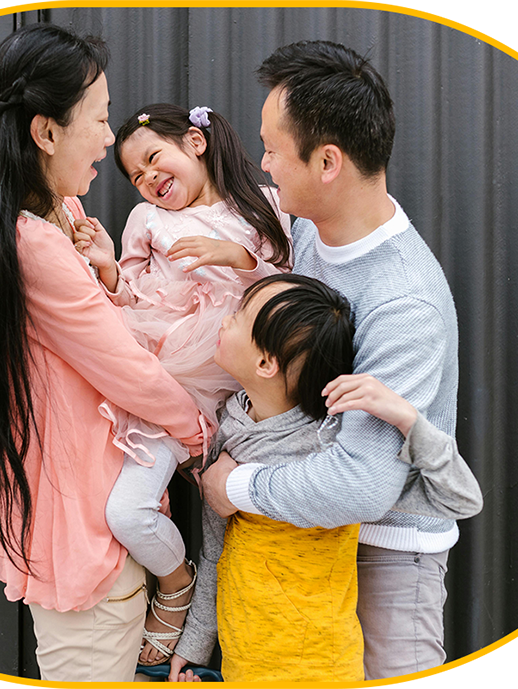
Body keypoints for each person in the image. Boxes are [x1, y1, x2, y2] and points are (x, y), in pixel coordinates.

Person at [0, 25, 206, 682]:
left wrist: (108, 272)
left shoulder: (53, 212)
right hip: (88, 538)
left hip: (85, 520)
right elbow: (127, 367)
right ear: (45, 132)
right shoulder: (32, 242)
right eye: (100, 117)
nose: (109, 139)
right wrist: (204, 435)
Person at [200, 40, 474, 679]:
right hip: (306, 544)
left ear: (328, 161)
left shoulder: (404, 303)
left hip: (384, 551)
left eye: (272, 149)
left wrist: (231, 486)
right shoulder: (309, 232)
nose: (262, 165)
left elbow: (362, 483)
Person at [167, 274, 482, 682]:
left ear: (266, 363)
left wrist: (406, 417)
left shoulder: (333, 448)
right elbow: (216, 549)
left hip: (319, 666)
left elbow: (460, 499)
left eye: (240, 316)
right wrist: (195, 645)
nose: (225, 319)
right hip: (243, 659)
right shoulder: (231, 425)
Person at [70, 102, 291, 666]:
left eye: (153, 159)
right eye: (136, 177)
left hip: (238, 409)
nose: (148, 179)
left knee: (231, 531)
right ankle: (174, 580)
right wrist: (109, 269)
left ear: (195, 142)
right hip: (160, 394)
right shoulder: (147, 222)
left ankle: (202, 648)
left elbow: (290, 293)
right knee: (125, 513)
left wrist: (233, 253)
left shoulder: (263, 206)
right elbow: (132, 300)